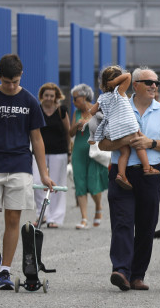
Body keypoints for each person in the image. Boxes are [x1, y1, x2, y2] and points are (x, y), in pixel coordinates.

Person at [0, 53, 54, 290]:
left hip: (19, 166)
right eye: (7, 81)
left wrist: (44, 174)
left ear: (21, 76)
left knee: (13, 219)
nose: (11, 86)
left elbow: (37, 140)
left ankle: (5, 270)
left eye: (15, 81)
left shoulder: (29, 102)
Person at [99, 66, 160, 292]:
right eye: (149, 82)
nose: (154, 86)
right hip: (121, 173)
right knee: (122, 222)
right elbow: (103, 144)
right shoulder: (117, 104)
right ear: (135, 85)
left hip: (150, 174)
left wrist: (150, 143)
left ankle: (137, 275)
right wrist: (122, 143)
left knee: (146, 226)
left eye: (156, 82)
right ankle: (121, 271)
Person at [87, 66, 160, 190]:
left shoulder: (102, 97)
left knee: (125, 151)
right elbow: (129, 76)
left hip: (113, 130)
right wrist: (116, 82)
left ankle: (121, 174)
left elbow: (92, 111)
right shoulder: (119, 91)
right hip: (127, 126)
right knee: (139, 143)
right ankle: (147, 167)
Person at [69, 83, 108, 230]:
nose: (74, 102)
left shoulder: (97, 109)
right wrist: (77, 124)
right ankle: (84, 218)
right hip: (79, 151)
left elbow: (105, 128)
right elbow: (70, 133)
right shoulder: (76, 113)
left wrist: (90, 123)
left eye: (75, 98)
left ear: (84, 97)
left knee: (93, 183)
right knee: (79, 183)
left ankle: (98, 207)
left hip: (94, 152)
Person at [31, 82, 70, 228]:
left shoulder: (61, 110)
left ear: (56, 97)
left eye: (51, 96)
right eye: (46, 95)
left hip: (59, 152)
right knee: (37, 183)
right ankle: (42, 215)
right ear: (42, 96)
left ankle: (55, 218)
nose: (48, 98)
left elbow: (67, 132)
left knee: (58, 185)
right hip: (38, 152)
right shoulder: (36, 110)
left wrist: (69, 151)